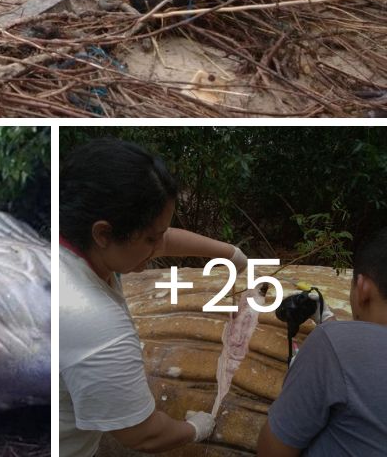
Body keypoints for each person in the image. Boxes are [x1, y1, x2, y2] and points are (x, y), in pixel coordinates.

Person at [60, 137, 249, 455]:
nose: (157, 248)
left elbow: (162, 238)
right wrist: (195, 428)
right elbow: (142, 435)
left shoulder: (65, 241)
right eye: (150, 239)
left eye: (158, 235)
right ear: (103, 233)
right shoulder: (95, 320)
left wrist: (230, 253)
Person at [256, 227, 387, 456]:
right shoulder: (337, 343)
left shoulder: (331, 346)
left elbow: (271, 451)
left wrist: (313, 365)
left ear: (363, 288)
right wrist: (328, 319)